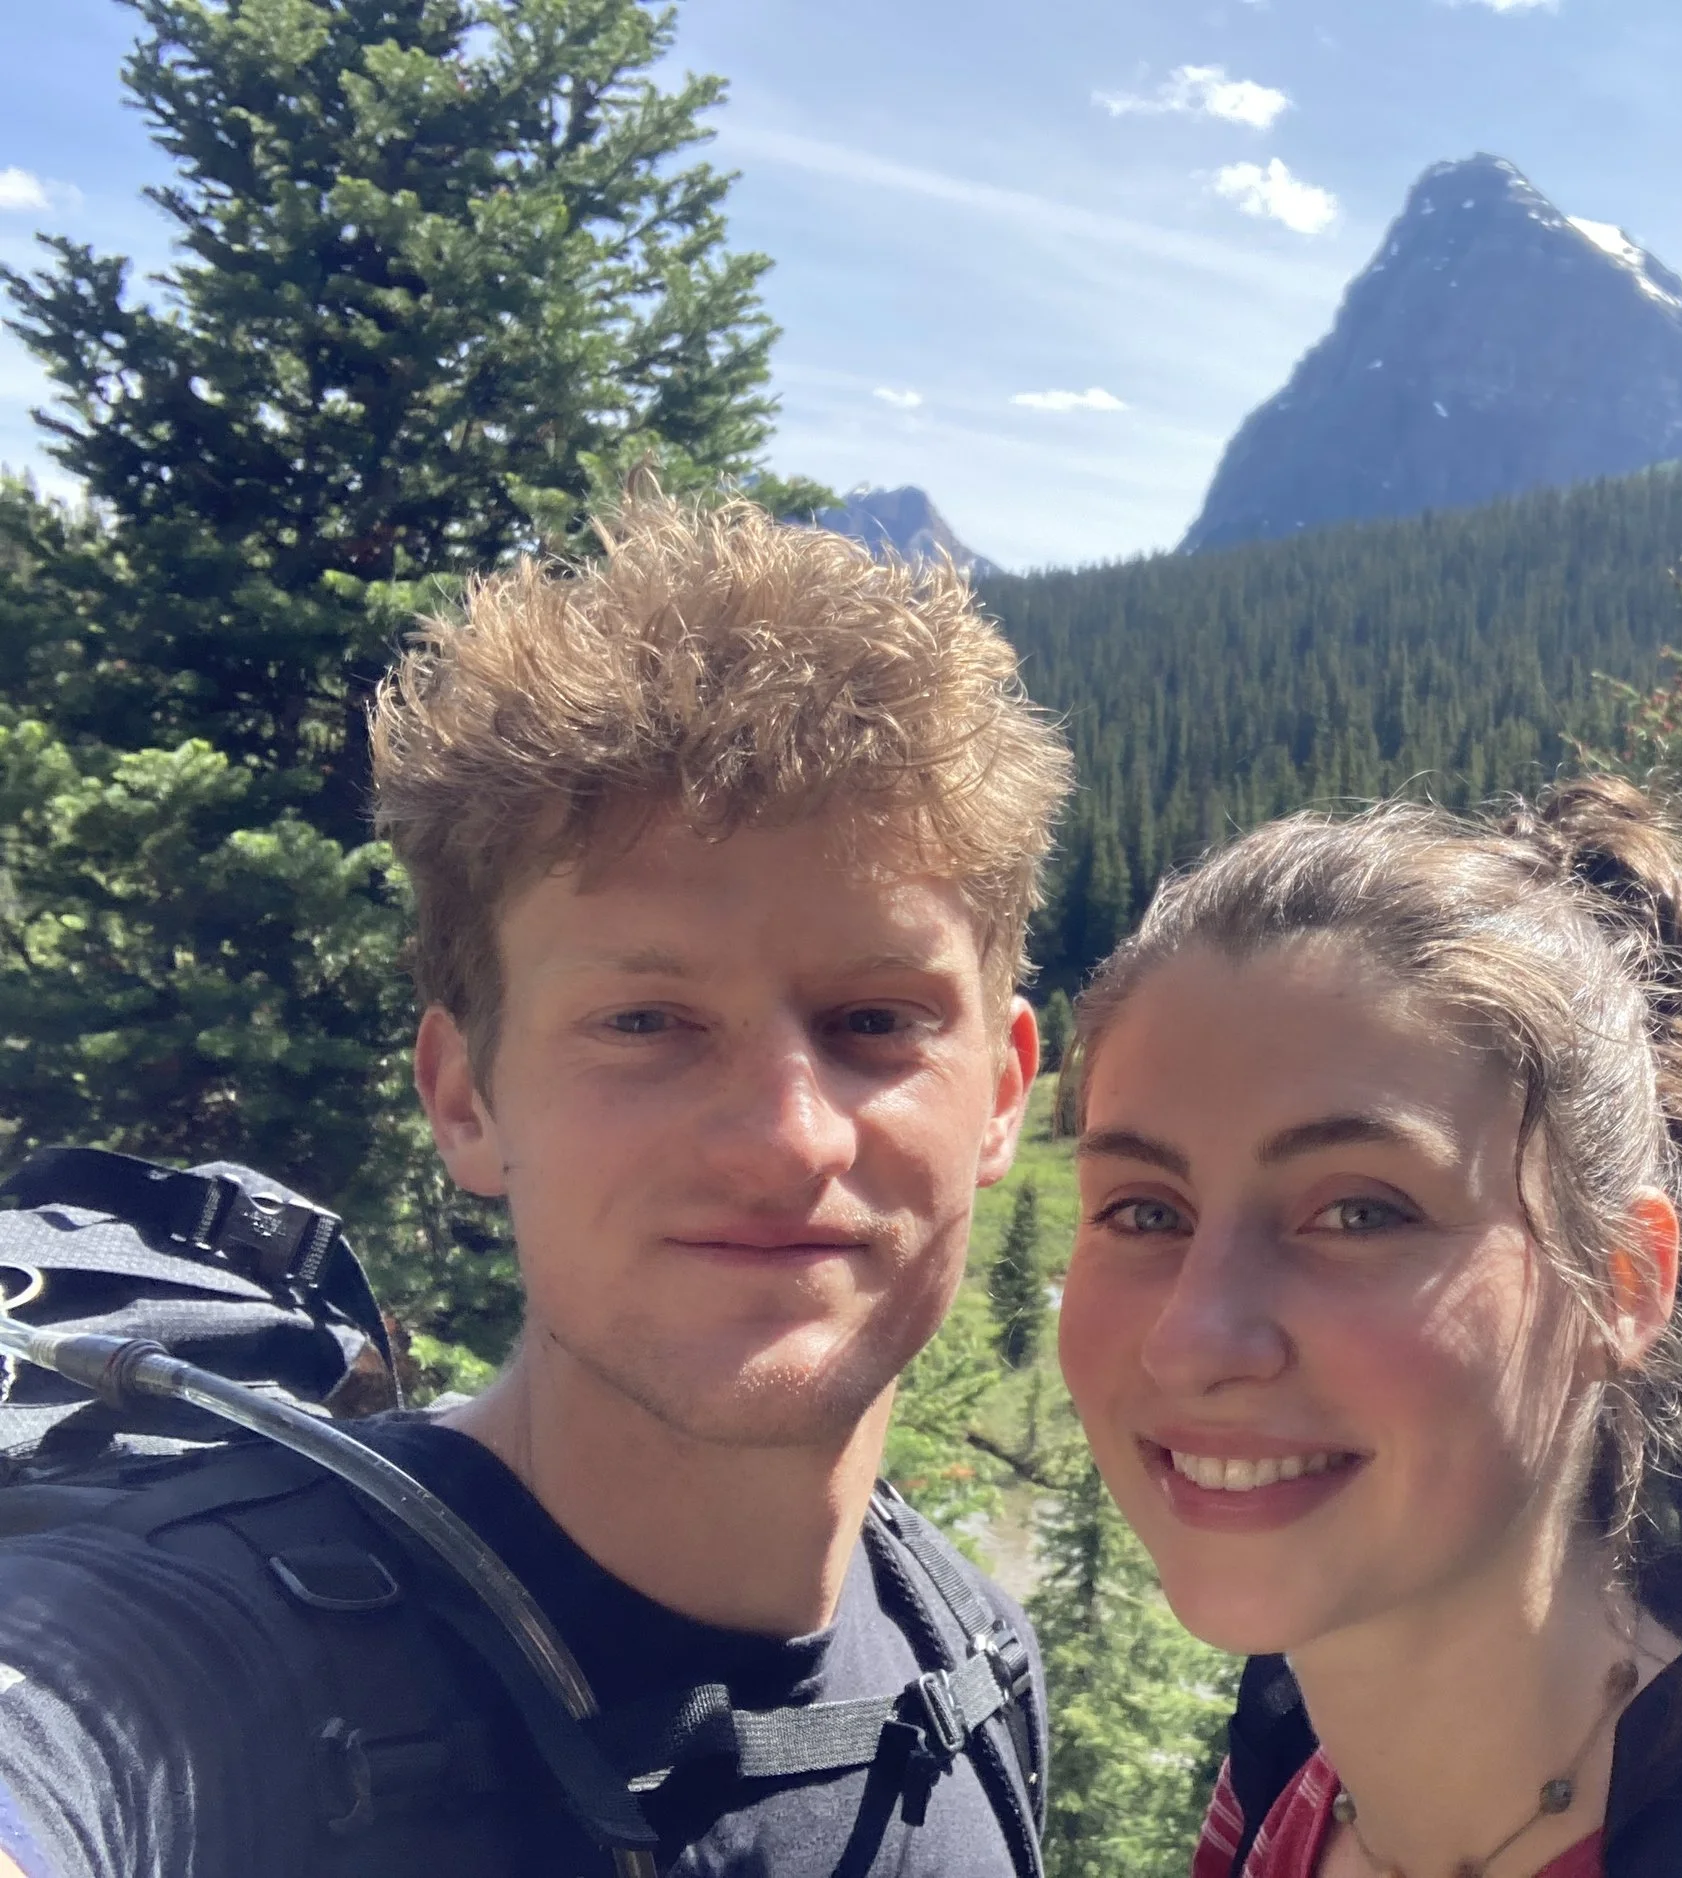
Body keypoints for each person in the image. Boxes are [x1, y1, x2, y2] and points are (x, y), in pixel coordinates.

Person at [0, 493, 1073, 1877]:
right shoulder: (188, 1663)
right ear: (465, 1096)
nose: (785, 1140)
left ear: (1002, 1090)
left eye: (875, 1021)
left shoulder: (971, 1658)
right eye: (645, 1021)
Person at [1052, 777, 1682, 1878]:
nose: (1194, 1338)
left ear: (1621, 1283)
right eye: (1145, 1212)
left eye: (1357, 1212)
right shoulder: (1286, 1799)